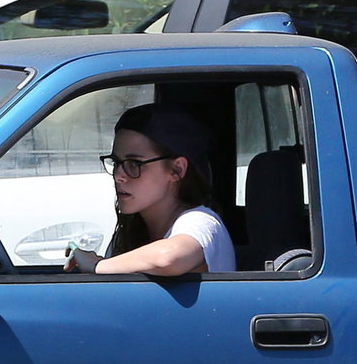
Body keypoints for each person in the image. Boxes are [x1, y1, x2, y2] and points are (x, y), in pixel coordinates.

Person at [68, 103, 235, 275]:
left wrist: (97, 265)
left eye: (134, 164)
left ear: (177, 170)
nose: (118, 175)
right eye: (116, 162)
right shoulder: (128, 234)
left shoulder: (200, 221)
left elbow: (168, 259)